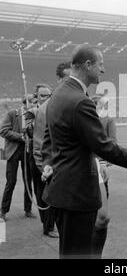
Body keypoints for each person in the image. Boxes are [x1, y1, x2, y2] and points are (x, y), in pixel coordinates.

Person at [41, 44, 127, 259]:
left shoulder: (58, 94)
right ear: (88, 65)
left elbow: (48, 136)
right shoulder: (80, 101)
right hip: (77, 192)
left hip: (62, 190)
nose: (103, 70)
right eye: (100, 65)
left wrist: (49, 161)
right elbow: (104, 146)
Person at [25, 62, 72, 238]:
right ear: (37, 97)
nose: (46, 97)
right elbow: (39, 143)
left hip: (51, 160)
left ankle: (50, 224)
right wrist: (42, 167)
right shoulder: (41, 111)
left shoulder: (55, 105)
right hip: (42, 161)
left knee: (50, 195)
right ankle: (49, 227)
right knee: (44, 195)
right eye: (42, 95)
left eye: (48, 95)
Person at [0, 95, 36, 221]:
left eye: (35, 103)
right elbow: (3, 130)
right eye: (32, 103)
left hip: (27, 151)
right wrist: (19, 136)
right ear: (25, 103)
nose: (33, 105)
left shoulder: (34, 115)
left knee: (28, 181)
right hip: (14, 151)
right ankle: (3, 211)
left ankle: (28, 209)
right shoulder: (12, 114)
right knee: (11, 182)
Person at [91, 95, 116, 258]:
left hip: (100, 168)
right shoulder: (83, 118)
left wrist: (104, 163)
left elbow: (112, 143)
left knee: (102, 216)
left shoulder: (108, 120)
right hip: (81, 167)